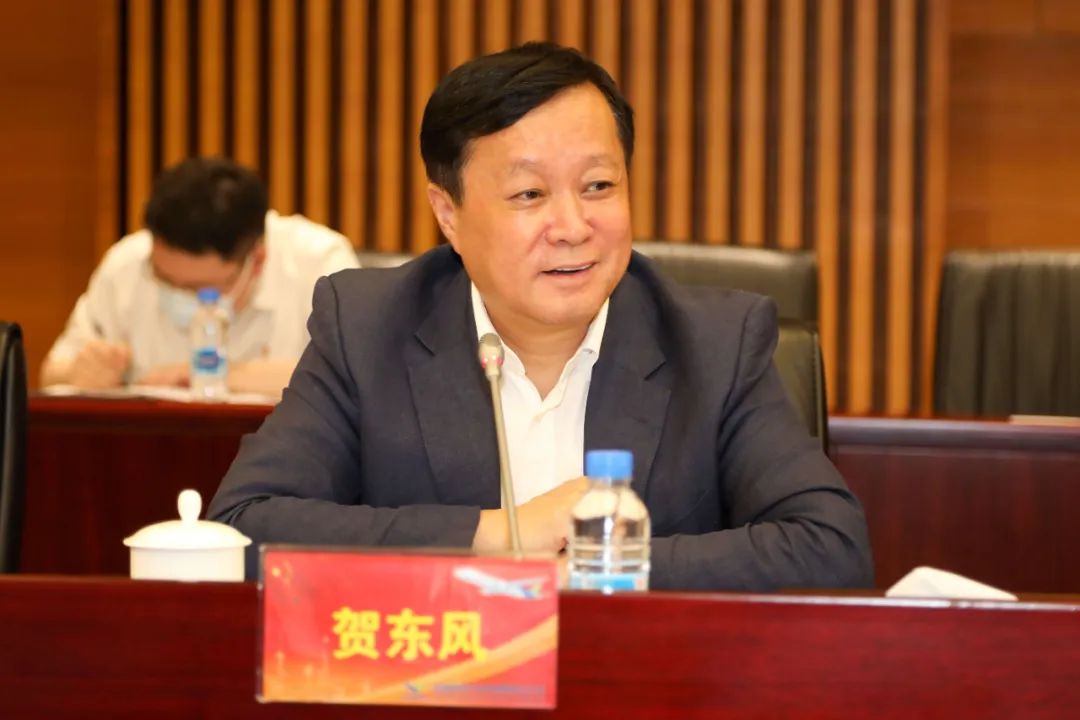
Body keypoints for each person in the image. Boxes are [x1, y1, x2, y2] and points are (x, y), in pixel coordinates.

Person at [209, 43, 873, 590]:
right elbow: (242, 528)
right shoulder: (366, 328)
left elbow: (830, 547)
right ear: (448, 214)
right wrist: (499, 534)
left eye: (599, 186)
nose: (573, 226)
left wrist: (586, 569)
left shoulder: (716, 343)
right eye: (529, 194)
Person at [40, 157, 359, 396]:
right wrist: (79, 372)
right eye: (164, 280)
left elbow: (356, 381)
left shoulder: (320, 264)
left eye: (198, 289)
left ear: (257, 260)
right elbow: (50, 373)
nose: (179, 296)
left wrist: (205, 374)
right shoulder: (127, 264)